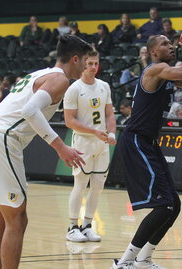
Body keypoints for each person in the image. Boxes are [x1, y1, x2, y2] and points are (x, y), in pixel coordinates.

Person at [0, 34, 92, 268]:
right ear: (75, 59)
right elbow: (29, 110)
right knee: (17, 219)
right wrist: (61, 147)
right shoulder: (60, 80)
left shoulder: (39, 73)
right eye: (86, 61)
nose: (87, 67)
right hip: (2, 140)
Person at [111, 34, 182, 269]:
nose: (171, 46)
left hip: (148, 142)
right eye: (165, 44)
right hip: (136, 140)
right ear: (153, 52)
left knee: (173, 205)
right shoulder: (155, 70)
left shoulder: (166, 76)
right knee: (164, 205)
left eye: (171, 43)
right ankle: (125, 262)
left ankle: (143, 260)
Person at [63, 49, 116, 243]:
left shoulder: (104, 86)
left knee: (97, 186)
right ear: (83, 64)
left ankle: (87, 226)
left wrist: (111, 133)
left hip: (101, 144)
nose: (94, 67)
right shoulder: (74, 89)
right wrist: (94, 131)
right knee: (80, 184)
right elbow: (69, 121)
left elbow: (109, 114)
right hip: (83, 142)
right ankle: (72, 227)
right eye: (90, 63)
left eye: (96, 63)